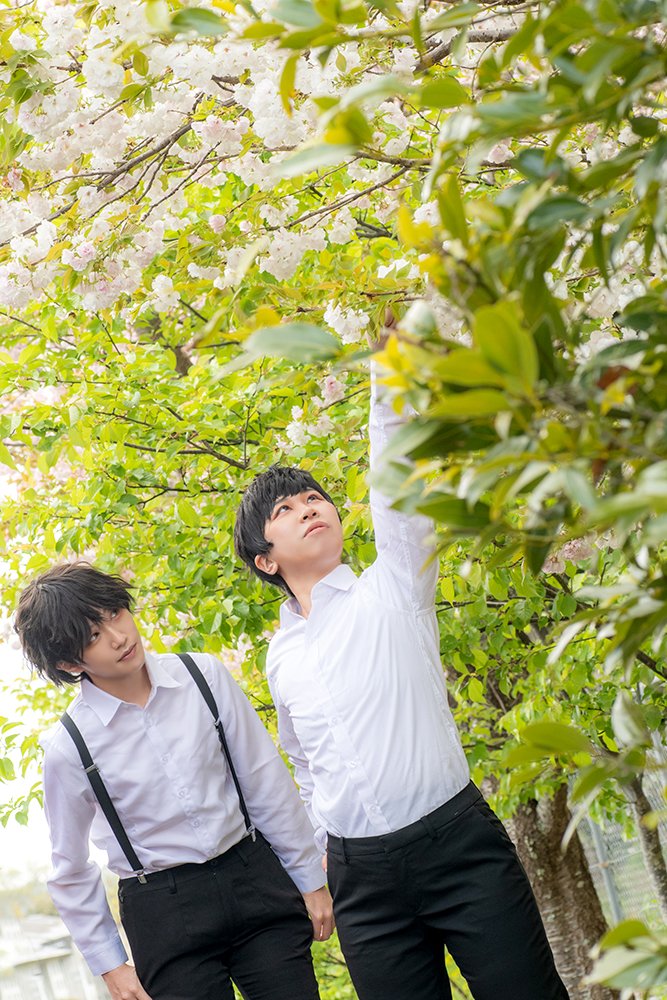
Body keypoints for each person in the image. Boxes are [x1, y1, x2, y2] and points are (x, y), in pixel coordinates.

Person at [234, 357, 570, 1000]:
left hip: (458, 846)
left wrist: (390, 377)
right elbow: (306, 764)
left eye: (315, 498)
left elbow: (398, 491)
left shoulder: (393, 585)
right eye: (286, 508)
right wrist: (320, 855)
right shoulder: (281, 657)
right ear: (265, 559)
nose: (309, 508)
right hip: (363, 884)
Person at [15, 562, 333, 1000]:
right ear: (70, 662)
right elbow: (70, 867)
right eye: (93, 636)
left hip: (252, 875)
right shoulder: (69, 746)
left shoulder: (203, 677)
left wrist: (309, 878)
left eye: (115, 613)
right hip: (162, 911)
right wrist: (110, 965)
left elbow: (264, 782)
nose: (118, 636)